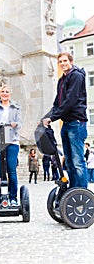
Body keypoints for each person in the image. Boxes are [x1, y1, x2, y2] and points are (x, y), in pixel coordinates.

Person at [43, 52, 88, 188]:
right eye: (60, 62)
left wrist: (52, 118)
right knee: (68, 161)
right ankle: (74, 190)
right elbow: (57, 103)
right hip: (67, 124)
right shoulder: (62, 80)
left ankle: (82, 193)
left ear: (71, 61)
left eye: (65, 61)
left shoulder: (77, 76)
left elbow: (70, 101)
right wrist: (45, 117)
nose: (63, 64)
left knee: (77, 161)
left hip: (76, 123)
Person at [0, 84, 22, 208]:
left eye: (7, 91)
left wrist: (15, 124)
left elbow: (19, 123)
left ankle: (13, 198)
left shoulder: (16, 107)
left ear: (10, 94)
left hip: (12, 140)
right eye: (3, 92)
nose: (5, 94)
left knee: (11, 170)